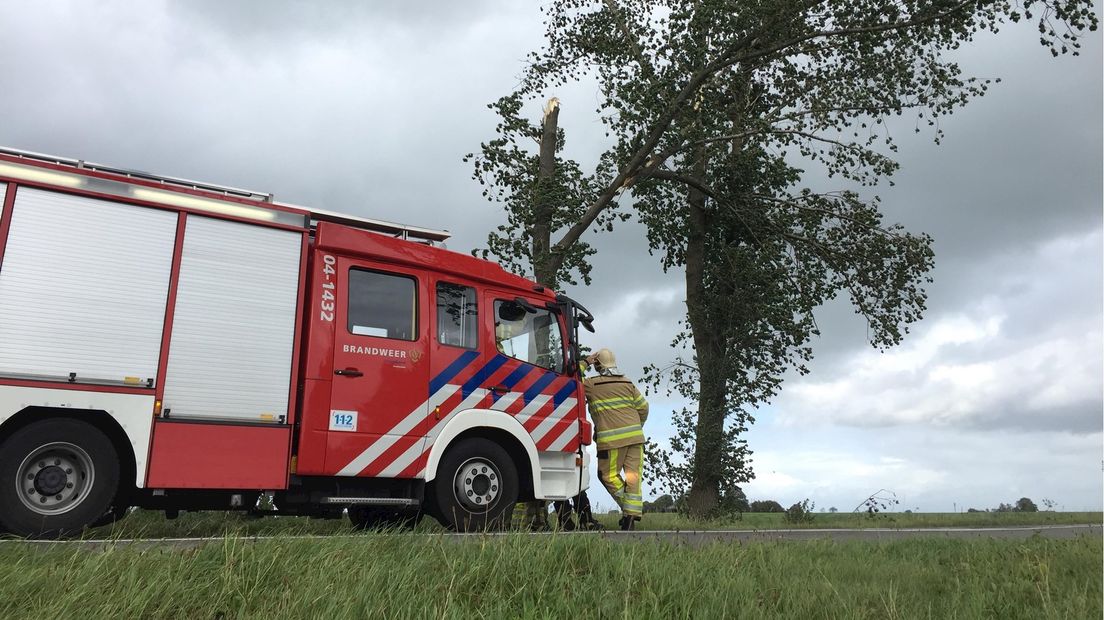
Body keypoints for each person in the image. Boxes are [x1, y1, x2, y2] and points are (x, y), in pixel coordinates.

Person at [581, 348, 648, 531]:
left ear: (598, 365)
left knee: (607, 476)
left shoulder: (592, 385)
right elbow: (643, 407)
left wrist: (585, 362)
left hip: (611, 441)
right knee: (634, 478)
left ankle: (628, 511)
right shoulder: (628, 382)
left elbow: (571, 381)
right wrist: (635, 427)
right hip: (636, 438)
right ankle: (630, 518)